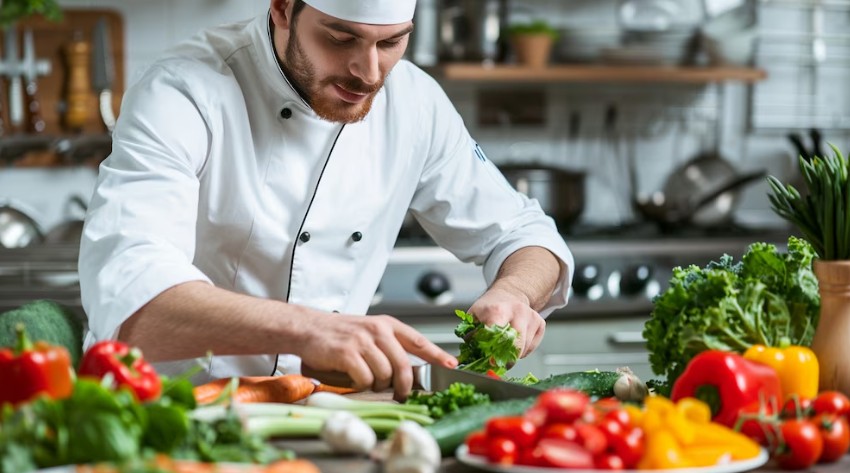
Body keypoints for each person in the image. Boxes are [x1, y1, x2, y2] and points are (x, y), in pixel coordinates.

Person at [79, 0, 574, 400]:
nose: (368, 70)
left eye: (392, 41)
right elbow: (134, 298)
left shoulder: (416, 102)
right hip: (172, 412)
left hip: (326, 417)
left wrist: (514, 292)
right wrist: (307, 329)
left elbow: (524, 235)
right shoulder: (184, 89)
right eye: (340, 38)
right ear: (281, 9)